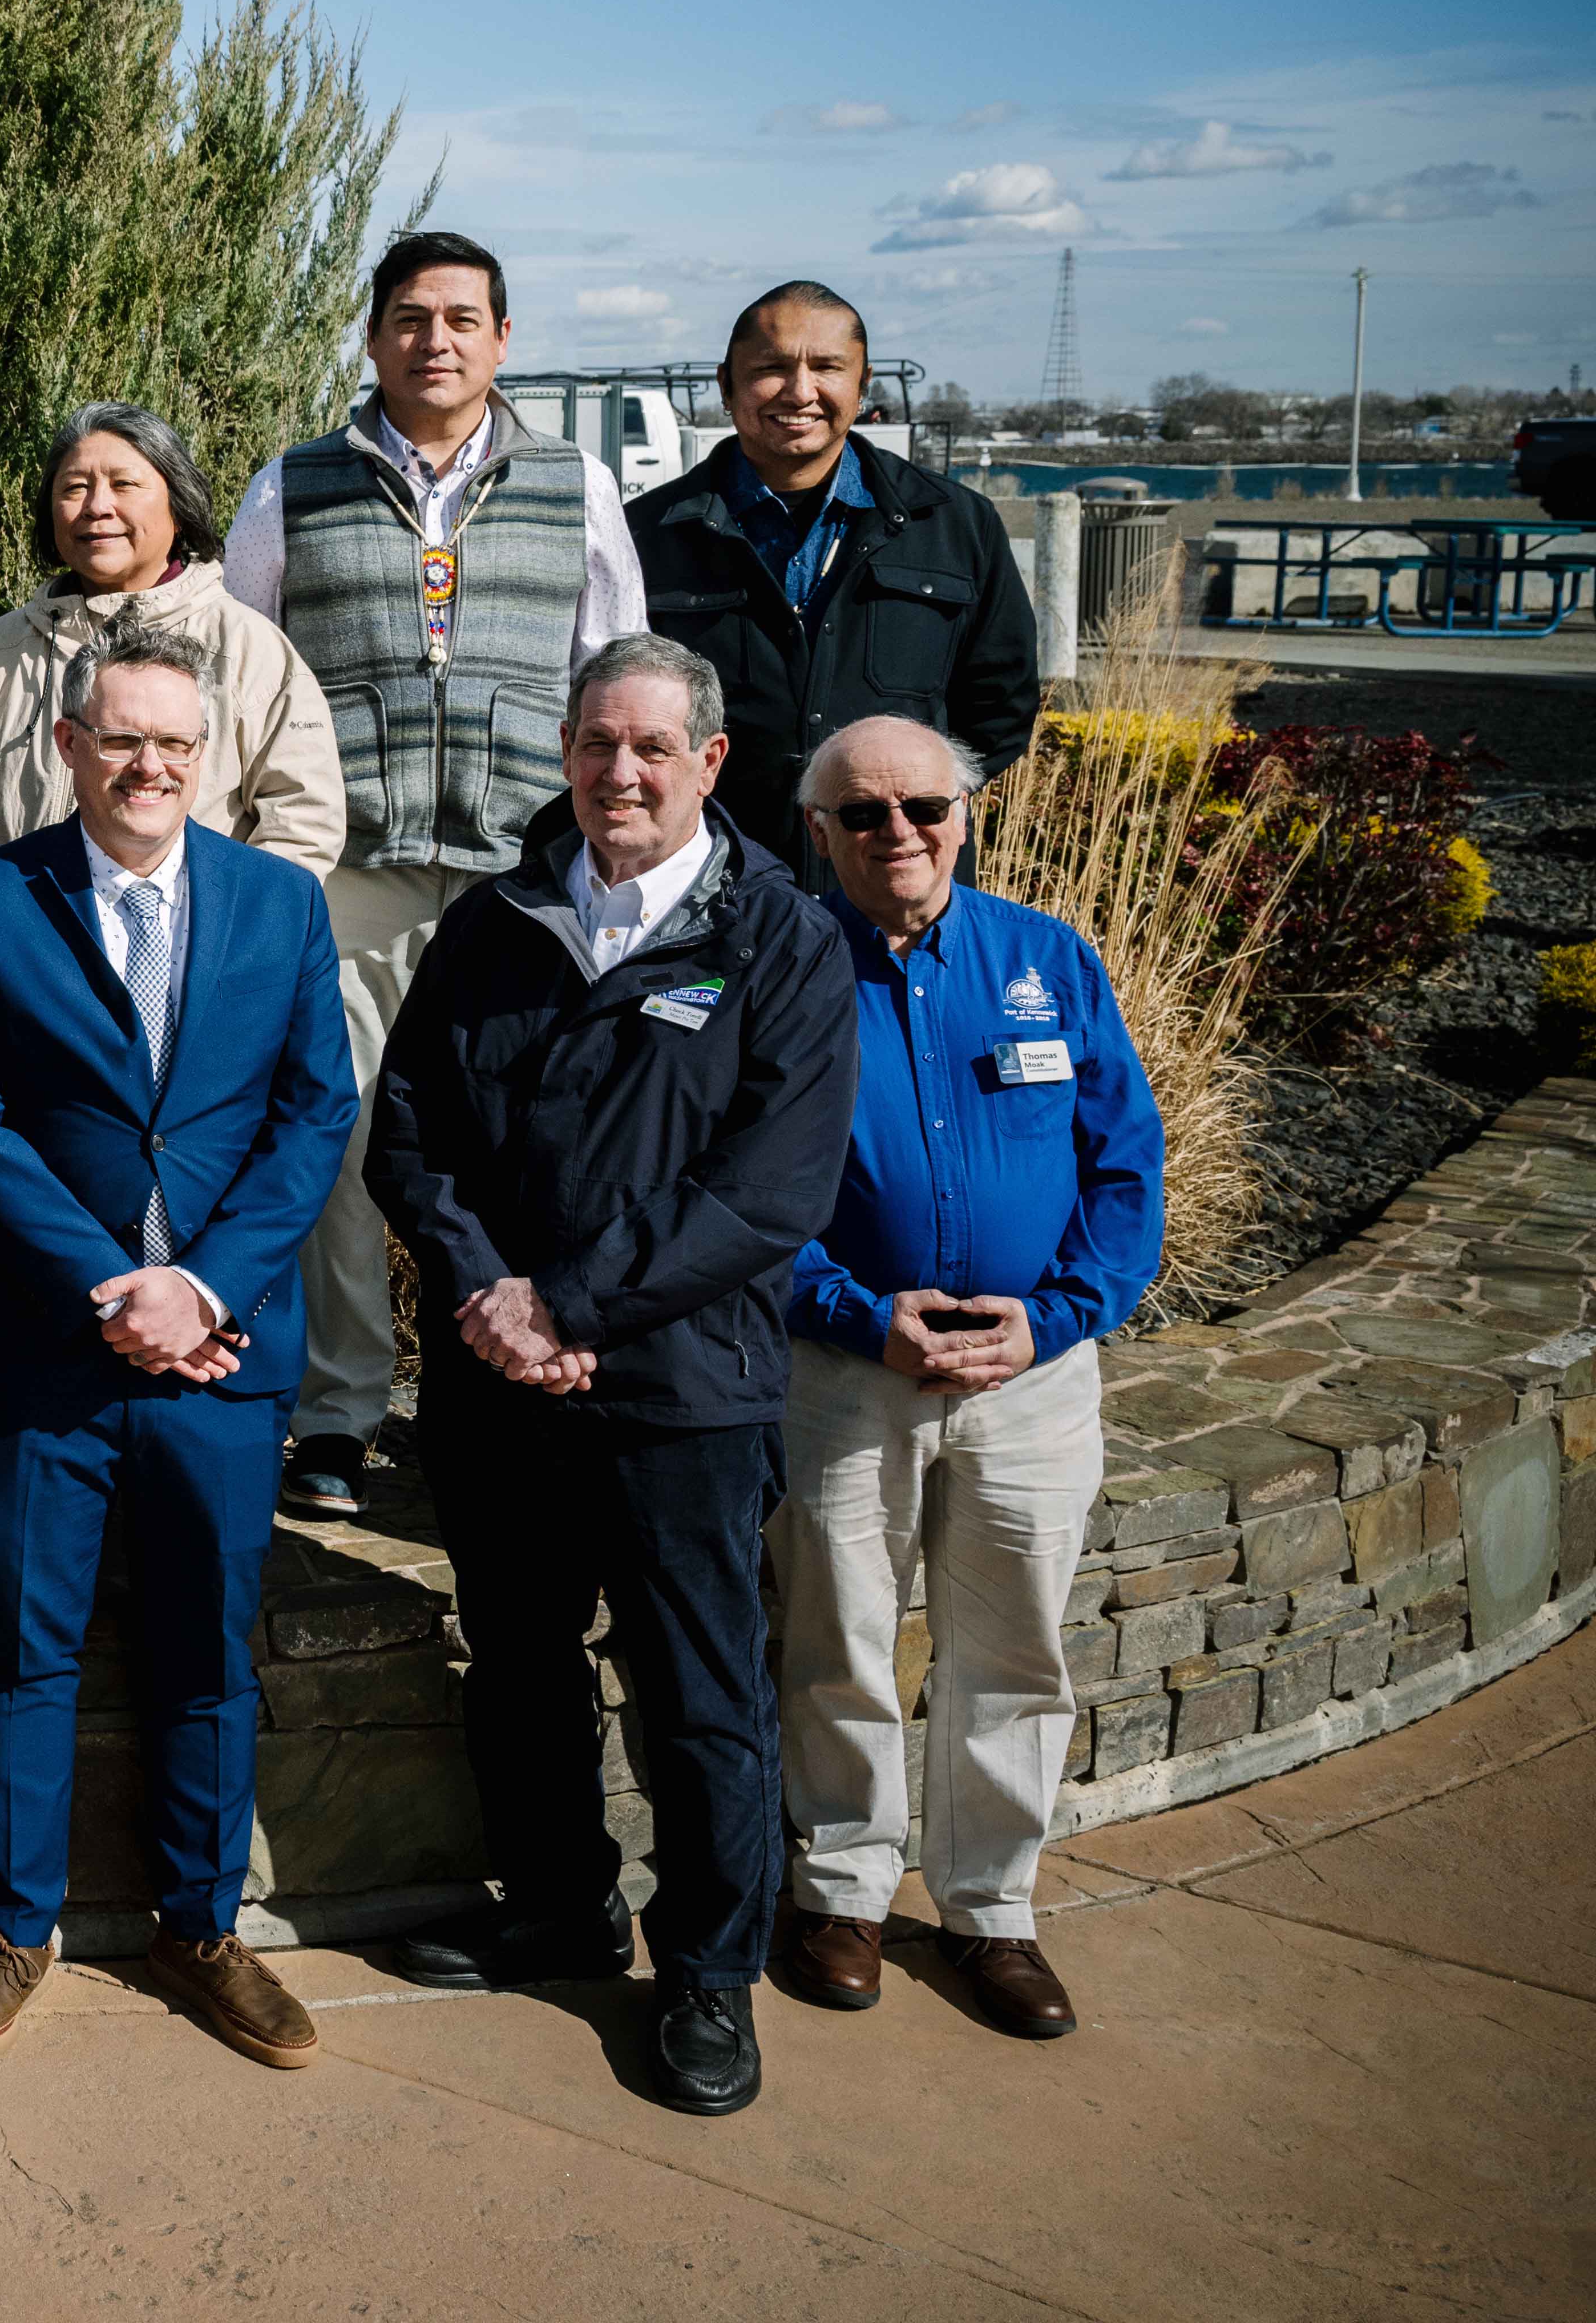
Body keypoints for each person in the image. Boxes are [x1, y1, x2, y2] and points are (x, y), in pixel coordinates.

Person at [360, 633, 858, 2120]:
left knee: (703, 1695)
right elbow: (411, 1136)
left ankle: (709, 1969)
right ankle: (560, 1906)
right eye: (597, 745)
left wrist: (568, 1301)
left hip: (681, 1396)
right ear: (566, 756)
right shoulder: (496, 923)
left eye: (652, 748)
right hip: (497, 1383)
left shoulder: (779, 936)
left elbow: (769, 1192)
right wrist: (487, 1294)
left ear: (711, 762)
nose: (620, 772)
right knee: (518, 1666)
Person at [0, 619, 355, 2071]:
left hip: (221, 1359)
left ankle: (201, 1925)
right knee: (25, 1646)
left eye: (173, 740)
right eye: (120, 737)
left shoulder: (280, 905)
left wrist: (203, 1289)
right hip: (46, 1348)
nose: (147, 763)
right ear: (68, 747)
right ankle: (5, 1930)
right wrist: (115, 1285)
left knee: (203, 1655)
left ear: (203, 753)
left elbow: (312, 1114)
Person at [222, 229, 648, 1523]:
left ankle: (516, 1390)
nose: (435, 340)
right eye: (409, 317)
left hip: (522, 883)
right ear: (370, 336)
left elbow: (618, 670)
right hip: (346, 872)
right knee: (342, 1145)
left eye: (463, 318)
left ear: (502, 339)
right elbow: (243, 671)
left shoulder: (574, 486)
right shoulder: (291, 486)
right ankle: (339, 1418)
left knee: (530, 1149)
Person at [771, 714, 1161, 2043]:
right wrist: (848, 1310)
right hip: (844, 1368)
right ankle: (840, 1890)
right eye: (863, 814)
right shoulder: (777, 963)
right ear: (817, 833)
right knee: (838, 1639)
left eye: (922, 807)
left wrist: (1052, 1319)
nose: (899, 834)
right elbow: (739, 1189)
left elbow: (1124, 1168)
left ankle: (992, 1907)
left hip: (1027, 1376)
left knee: (1013, 1648)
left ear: (963, 813)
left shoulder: (1045, 959)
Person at [629, 282, 1044, 885]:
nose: (801, 392)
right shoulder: (649, 535)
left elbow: (1001, 708)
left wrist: (898, 806)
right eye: (770, 368)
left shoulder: (954, 525)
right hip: (709, 885)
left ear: (863, 382)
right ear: (726, 385)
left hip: (896, 888)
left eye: (827, 367)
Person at [0, 401, 342, 900]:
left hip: (190, 959)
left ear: (179, 506)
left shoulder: (244, 648)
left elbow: (303, 819)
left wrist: (236, 941)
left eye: (124, 484)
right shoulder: (2, 651)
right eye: (74, 488)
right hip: (19, 962)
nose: (96, 506)